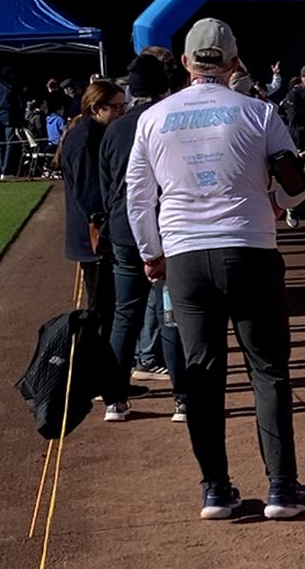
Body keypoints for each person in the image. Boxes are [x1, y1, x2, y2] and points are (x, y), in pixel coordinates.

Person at [126, 18, 305, 521]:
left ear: (187, 63)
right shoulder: (259, 111)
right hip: (250, 248)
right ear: (234, 61)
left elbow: (138, 197)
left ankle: (215, 489)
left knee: (202, 376)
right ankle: (282, 487)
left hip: (185, 255)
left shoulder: (154, 118)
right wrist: (275, 201)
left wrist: (151, 252)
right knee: (268, 371)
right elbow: (297, 184)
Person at [99, 55, 186, 422]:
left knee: (126, 315)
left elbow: (107, 189)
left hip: (124, 231)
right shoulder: (171, 121)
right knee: (171, 315)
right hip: (165, 230)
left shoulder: (115, 129)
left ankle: (114, 400)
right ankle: (183, 398)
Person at [59, 80, 137, 421]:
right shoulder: (86, 138)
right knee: (102, 312)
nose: (122, 111)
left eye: (123, 105)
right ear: (96, 108)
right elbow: (91, 195)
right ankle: (100, 383)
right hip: (93, 239)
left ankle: (105, 379)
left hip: (90, 237)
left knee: (104, 310)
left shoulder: (87, 134)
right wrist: (106, 223)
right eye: (115, 106)